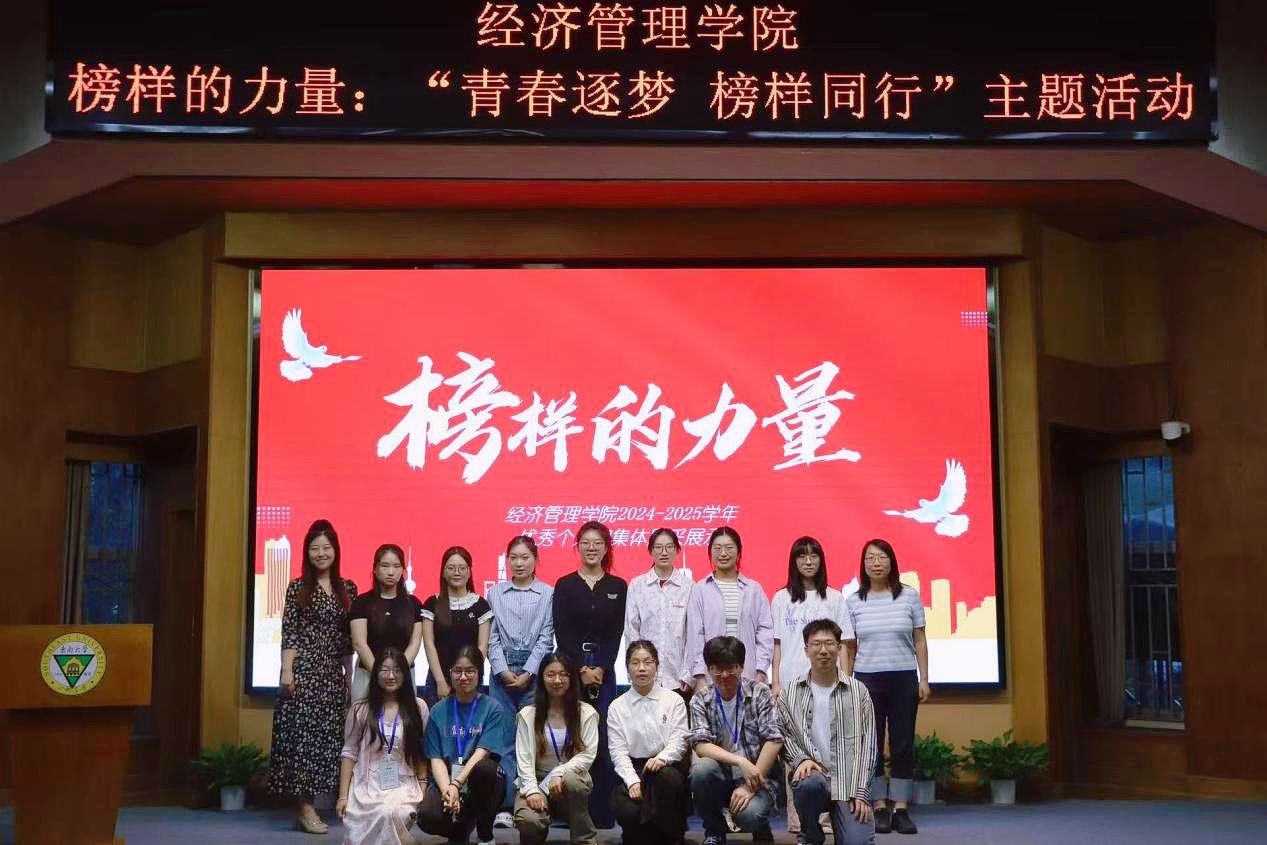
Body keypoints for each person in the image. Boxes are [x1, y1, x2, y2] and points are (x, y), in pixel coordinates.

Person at [269, 519, 358, 834]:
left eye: (326, 547)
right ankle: (305, 809)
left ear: (335, 550)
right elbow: (290, 632)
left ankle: (321, 804)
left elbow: (347, 639)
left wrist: (348, 676)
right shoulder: (297, 587)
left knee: (328, 741)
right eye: (315, 548)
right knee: (302, 742)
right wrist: (286, 671)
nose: (321, 553)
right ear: (307, 552)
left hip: (332, 675)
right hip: (304, 671)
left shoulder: (347, 588)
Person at [845, 539, 930, 836]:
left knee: (903, 744)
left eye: (882, 557)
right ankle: (880, 806)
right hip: (867, 679)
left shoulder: (909, 596)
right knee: (872, 745)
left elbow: (920, 640)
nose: (876, 563)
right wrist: (848, 683)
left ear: (892, 562)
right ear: (863, 564)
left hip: (903, 678)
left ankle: (901, 809)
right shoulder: (854, 601)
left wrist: (923, 678)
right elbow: (850, 648)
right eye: (870, 558)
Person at [771, 536, 854, 836]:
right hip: (793, 686)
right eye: (802, 556)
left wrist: (846, 681)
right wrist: (776, 682)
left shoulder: (834, 598)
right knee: (795, 750)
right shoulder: (781, 598)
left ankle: (829, 817)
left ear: (821, 560)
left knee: (829, 745)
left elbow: (844, 645)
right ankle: (799, 819)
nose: (808, 561)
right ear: (794, 562)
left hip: (829, 684)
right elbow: (777, 645)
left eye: (813, 556)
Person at [552, 520, 627, 829]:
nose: (591, 548)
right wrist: (581, 669)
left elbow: (616, 633)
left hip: (605, 672)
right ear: (578, 547)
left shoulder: (618, 586)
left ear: (606, 547)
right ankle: (570, 812)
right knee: (574, 737)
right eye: (585, 542)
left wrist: (601, 667)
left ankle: (602, 812)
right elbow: (563, 631)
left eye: (598, 543)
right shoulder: (565, 585)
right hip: (572, 672)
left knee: (604, 736)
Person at [778, 620, 877, 845]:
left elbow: (869, 746)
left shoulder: (858, 691)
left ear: (839, 648)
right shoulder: (791, 692)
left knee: (857, 842)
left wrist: (861, 791)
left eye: (829, 643)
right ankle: (810, 834)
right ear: (806, 650)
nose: (823, 650)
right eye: (816, 644)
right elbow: (785, 736)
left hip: (848, 785)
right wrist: (801, 759)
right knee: (808, 783)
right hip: (814, 779)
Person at [486, 534, 556, 827]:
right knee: (503, 740)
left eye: (525, 557)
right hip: (501, 674)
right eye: (513, 557)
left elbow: (546, 637)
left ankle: (527, 801)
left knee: (529, 739)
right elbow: (491, 638)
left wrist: (529, 672)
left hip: (534, 673)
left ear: (536, 560)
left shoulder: (548, 593)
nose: (519, 563)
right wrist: (502, 671)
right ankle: (504, 806)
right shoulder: (495, 593)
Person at [689, 636, 784, 845]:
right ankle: (714, 832)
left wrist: (751, 785)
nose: (724, 675)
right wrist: (740, 761)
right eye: (717, 669)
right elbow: (701, 745)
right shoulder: (700, 699)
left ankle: (761, 827)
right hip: (722, 774)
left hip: (758, 775)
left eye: (730, 668)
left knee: (749, 816)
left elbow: (774, 739)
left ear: (741, 667)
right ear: (709, 669)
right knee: (701, 771)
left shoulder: (760, 693)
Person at [416, 646, 512, 845]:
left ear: (479, 673)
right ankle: (460, 830)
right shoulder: (437, 711)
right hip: (447, 779)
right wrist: (447, 790)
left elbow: (482, 753)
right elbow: (435, 758)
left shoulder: (492, 708)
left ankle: (485, 834)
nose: (463, 677)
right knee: (427, 817)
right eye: (457, 671)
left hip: (479, 779)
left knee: (486, 770)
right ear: (450, 673)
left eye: (470, 671)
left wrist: (457, 784)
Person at [336, 647, 431, 845]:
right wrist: (343, 796)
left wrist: (423, 784)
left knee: (391, 811)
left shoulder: (418, 707)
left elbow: (421, 750)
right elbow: (349, 753)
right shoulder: (360, 709)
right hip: (367, 783)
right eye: (384, 670)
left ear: (405, 674)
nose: (391, 676)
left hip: (403, 782)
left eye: (397, 670)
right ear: (375, 673)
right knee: (379, 813)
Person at [608, 640, 691, 845]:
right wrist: (632, 781)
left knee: (668, 780)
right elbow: (618, 752)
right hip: (634, 768)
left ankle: (671, 836)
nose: (642, 668)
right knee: (626, 809)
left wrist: (662, 758)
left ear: (657, 666)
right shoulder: (617, 706)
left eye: (648, 662)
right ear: (627, 668)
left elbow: (680, 741)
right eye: (635, 663)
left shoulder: (673, 700)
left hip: (667, 766)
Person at [513, 652, 600, 845]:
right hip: (537, 780)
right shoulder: (528, 715)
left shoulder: (586, 713)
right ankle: (537, 831)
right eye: (550, 674)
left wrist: (559, 773)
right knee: (529, 820)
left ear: (572, 678)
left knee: (573, 780)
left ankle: (584, 840)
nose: (557, 680)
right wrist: (532, 791)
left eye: (563, 674)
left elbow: (587, 755)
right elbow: (523, 759)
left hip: (568, 780)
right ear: (542, 678)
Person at [686, 527, 774, 691]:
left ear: (739, 552)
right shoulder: (700, 590)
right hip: (712, 676)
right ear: (710, 552)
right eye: (717, 548)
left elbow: (765, 632)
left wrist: (761, 670)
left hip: (748, 674)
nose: (723, 553)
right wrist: (699, 676)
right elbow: (695, 636)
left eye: (729, 548)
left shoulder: (754, 589)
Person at [624, 529, 695, 704]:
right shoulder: (637, 585)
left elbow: (692, 634)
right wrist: (634, 669)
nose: (664, 552)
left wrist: (688, 673)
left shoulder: (689, 587)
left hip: (678, 678)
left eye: (669, 547)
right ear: (651, 551)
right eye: (658, 547)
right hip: (645, 676)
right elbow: (631, 631)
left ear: (677, 550)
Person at [349, 544, 424, 701]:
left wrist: (397, 672)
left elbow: (414, 644)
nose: (391, 572)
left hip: (404, 675)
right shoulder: (362, 602)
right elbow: (359, 643)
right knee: (363, 716)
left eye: (396, 566)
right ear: (375, 569)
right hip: (367, 674)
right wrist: (381, 673)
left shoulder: (414, 604)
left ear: (403, 570)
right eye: (385, 566)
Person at [421, 546, 493, 704]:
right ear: (443, 571)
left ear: (469, 572)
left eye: (462, 568)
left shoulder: (480, 605)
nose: (457, 572)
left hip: (471, 680)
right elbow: (429, 644)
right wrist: (440, 681)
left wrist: (470, 675)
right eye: (451, 568)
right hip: (438, 679)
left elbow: (482, 646)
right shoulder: (432, 604)